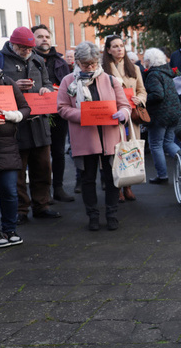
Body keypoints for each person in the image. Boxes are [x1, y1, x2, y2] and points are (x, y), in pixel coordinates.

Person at [57, 42, 132, 231]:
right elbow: (62, 108)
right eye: (85, 64)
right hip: (85, 137)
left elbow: (125, 105)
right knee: (88, 178)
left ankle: (112, 214)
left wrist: (123, 113)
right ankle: (93, 215)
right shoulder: (68, 81)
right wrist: (82, 115)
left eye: (92, 64)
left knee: (112, 177)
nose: (89, 67)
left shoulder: (110, 79)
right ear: (78, 62)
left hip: (109, 136)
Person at [0, 26, 60, 225]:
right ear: (13, 44)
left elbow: (49, 83)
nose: (27, 51)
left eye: (29, 48)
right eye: (23, 48)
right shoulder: (0, 61)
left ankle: (42, 205)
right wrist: (15, 86)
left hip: (39, 123)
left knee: (43, 167)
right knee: (17, 170)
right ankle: (20, 210)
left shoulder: (37, 60)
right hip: (14, 125)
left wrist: (46, 89)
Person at [103, 34, 148, 201]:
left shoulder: (134, 68)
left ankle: (129, 185)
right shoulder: (103, 69)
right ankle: (117, 187)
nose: (119, 49)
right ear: (108, 50)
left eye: (121, 46)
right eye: (115, 46)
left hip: (130, 117)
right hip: (112, 115)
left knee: (130, 150)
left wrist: (140, 100)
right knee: (115, 152)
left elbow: (142, 90)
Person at [32, 24, 73, 203]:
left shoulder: (60, 62)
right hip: (35, 114)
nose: (44, 39)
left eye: (47, 36)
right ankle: (42, 193)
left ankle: (58, 187)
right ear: (32, 39)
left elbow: (69, 87)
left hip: (57, 114)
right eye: (40, 36)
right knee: (39, 154)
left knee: (57, 151)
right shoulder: (29, 60)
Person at [0, 69, 31, 248]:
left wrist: (12, 115)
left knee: (9, 191)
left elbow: (25, 108)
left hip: (6, 147)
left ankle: (10, 229)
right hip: (5, 147)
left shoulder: (7, 82)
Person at [142, 48, 181, 184]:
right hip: (174, 113)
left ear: (150, 61)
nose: (144, 62)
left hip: (160, 115)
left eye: (145, 59)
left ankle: (162, 175)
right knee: (168, 143)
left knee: (155, 144)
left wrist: (143, 98)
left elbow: (158, 95)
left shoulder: (154, 75)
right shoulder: (166, 72)